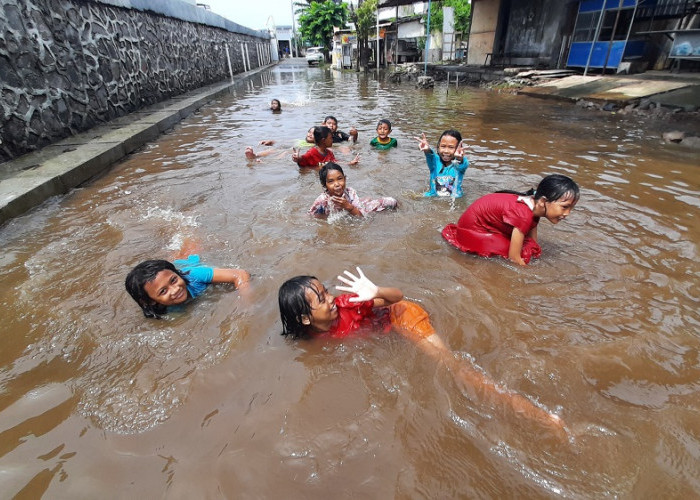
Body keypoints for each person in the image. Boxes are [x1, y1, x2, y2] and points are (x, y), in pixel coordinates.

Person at [278, 268, 565, 431]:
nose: (330, 298)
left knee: (453, 368)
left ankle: (541, 417)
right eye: (321, 298)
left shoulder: (347, 304)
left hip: (401, 316)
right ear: (305, 319)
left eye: (326, 291)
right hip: (382, 333)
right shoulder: (309, 340)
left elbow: (397, 298)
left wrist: (375, 291)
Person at [442, 174, 580, 266]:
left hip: (474, 225)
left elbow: (533, 239)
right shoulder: (524, 214)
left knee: (530, 248)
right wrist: (531, 274)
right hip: (471, 231)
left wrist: (535, 250)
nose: (567, 213)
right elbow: (514, 258)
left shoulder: (533, 205)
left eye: (570, 208)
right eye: (564, 207)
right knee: (524, 254)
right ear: (543, 201)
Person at [125, 255, 249, 318]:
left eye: (173, 280)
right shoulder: (160, 312)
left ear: (177, 274)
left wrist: (246, 304)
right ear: (150, 301)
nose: (175, 289)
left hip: (190, 262)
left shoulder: (195, 275)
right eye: (163, 291)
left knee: (187, 250)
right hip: (171, 271)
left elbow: (240, 274)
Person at [308, 162, 397, 218]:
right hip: (342, 216)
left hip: (355, 209)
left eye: (340, 178)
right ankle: (366, 199)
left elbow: (362, 216)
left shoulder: (350, 193)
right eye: (331, 181)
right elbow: (311, 216)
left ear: (345, 179)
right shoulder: (322, 200)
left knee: (391, 201)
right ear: (325, 185)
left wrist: (348, 206)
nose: (337, 184)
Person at [415, 130, 469, 198]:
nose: (446, 151)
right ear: (438, 146)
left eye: (451, 147)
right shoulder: (434, 162)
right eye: (443, 146)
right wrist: (427, 150)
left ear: (459, 148)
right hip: (433, 197)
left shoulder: (459, 165)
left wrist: (459, 159)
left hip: (455, 200)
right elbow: (430, 155)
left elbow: (463, 165)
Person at [292, 126, 359, 168]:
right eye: (330, 138)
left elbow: (335, 162)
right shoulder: (312, 152)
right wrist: (298, 158)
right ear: (323, 140)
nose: (332, 140)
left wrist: (350, 163)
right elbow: (303, 158)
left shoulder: (329, 152)